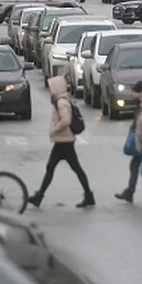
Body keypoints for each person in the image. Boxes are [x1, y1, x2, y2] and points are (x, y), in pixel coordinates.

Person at [27, 76, 94, 208]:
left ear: (56, 89)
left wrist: (54, 130)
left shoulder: (61, 102)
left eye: (51, 88)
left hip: (64, 140)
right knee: (68, 168)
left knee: (53, 168)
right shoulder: (61, 100)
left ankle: (39, 196)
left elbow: (66, 120)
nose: (50, 91)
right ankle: (88, 195)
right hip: (64, 140)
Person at [115, 80, 142, 203]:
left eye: (135, 92)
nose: (132, 94)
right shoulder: (140, 104)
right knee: (137, 166)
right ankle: (130, 191)